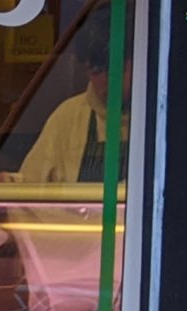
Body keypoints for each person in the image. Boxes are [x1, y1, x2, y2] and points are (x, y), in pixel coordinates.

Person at [12, 15, 118, 186]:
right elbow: (31, 186)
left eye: (116, 70)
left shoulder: (158, 119)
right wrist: (8, 185)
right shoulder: (67, 117)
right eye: (96, 72)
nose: (107, 81)